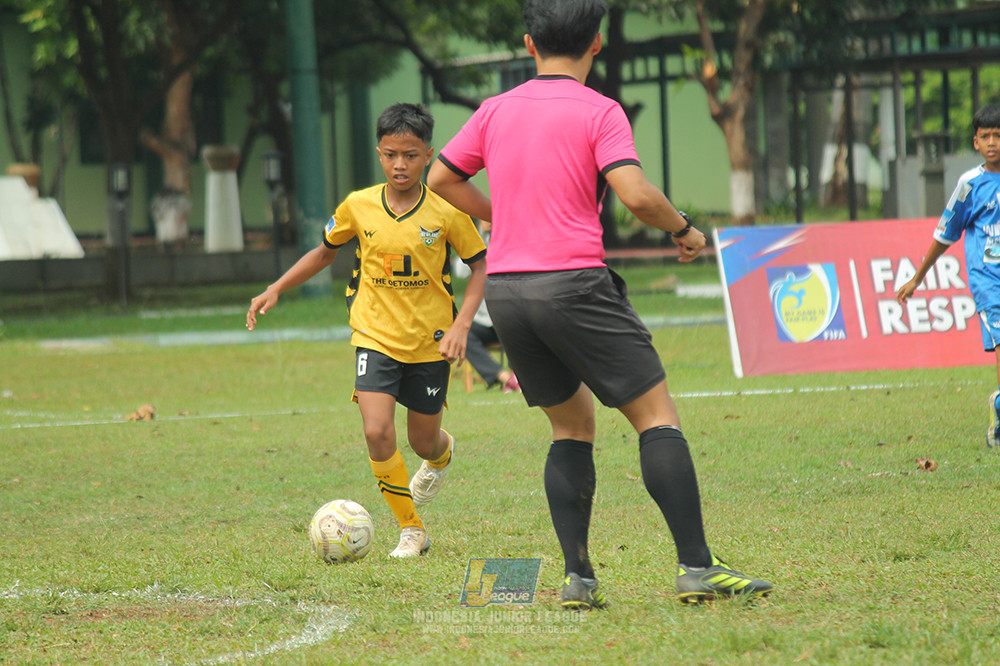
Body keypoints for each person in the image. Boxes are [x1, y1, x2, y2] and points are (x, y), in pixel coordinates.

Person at [427, 0, 772, 607]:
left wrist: (503, 214)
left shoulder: (494, 110)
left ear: (529, 45)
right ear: (598, 43)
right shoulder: (600, 110)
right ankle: (696, 566)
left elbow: (441, 179)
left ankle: (577, 579)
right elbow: (635, 194)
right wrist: (684, 229)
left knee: (571, 425)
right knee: (656, 416)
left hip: (508, 291)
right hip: (574, 284)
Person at [247, 103, 487, 558]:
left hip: (430, 343)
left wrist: (461, 325)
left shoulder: (447, 212)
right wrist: (276, 287)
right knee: (377, 432)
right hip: (374, 337)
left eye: (412, 156)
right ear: (379, 153)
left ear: (429, 155)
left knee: (422, 440)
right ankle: (412, 530)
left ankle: (440, 453)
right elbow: (323, 253)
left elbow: (481, 267)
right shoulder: (357, 206)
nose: (401, 165)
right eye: (392, 154)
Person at [897, 103, 1000, 449]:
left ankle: (998, 407)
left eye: (998, 136)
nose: (992, 143)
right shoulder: (969, 185)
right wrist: (917, 278)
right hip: (989, 281)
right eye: (985, 137)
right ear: (975, 142)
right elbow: (944, 234)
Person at [465, 221, 520, 393]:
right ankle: (503, 376)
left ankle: (520, 376)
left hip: (509, 317)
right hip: (484, 320)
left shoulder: (512, 239)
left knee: (523, 325)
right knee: (461, 333)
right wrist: (480, 234)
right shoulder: (477, 238)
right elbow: (461, 271)